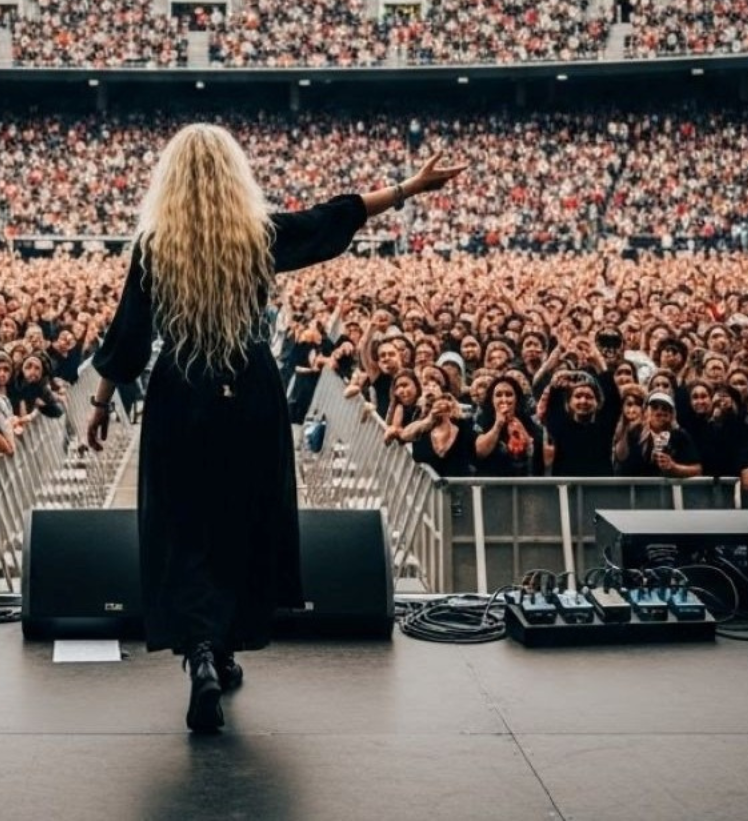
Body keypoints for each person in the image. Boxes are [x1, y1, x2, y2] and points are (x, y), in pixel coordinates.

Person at [84, 123, 463, 734]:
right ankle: (225, 647)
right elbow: (329, 218)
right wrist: (407, 188)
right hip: (249, 393)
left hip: (181, 395)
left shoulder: (154, 245)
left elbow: (128, 338)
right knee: (240, 519)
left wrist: (101, 403)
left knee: (184, 526)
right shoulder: (256, 236)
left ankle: (201, 653)